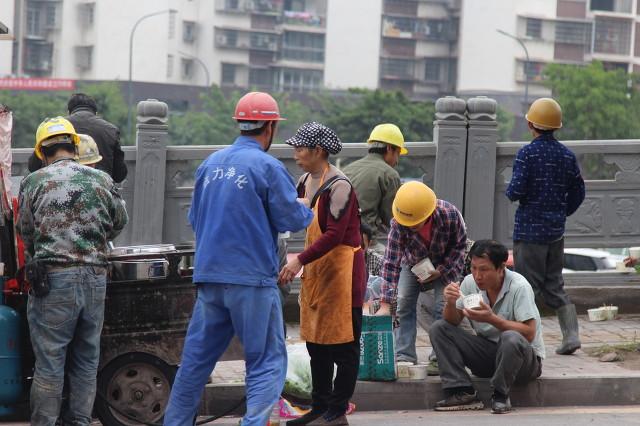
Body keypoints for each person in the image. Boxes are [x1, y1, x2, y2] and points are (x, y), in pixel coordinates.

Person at [164, 92, 313, 425]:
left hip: (209, 279)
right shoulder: (268, 167)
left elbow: (194, 219)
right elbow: (291, 220)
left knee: (194, 364)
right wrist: (305, 207)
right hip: (252, 281)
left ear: (240, 124)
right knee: (266, 362)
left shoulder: (210, 164)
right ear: (270, 127)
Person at [17, 116, 128, 425]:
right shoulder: (101, 179)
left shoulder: (34, 182)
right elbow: (119, 221)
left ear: (42, 152)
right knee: (85, 362)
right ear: (74, 147)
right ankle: (80, 421)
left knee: (50, 362)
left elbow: (25, 230)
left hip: (53, 282)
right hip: (95, 280)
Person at [279, 122, 366, 426]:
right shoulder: (304, 180)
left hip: (344, 273)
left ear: (318, 151)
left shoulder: (339, 186)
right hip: (318, 270)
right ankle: (319, 407)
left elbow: (333, 234)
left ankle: (337, 409)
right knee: (316, 343)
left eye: (300, 148)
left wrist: (297, 261)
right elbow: (293, 212)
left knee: (344, 346)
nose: (295, 153)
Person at [506, 97, 585, 355]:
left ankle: (528, 341)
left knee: (525, 287)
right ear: (556, 126)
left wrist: (510, 191)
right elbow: (578, 191)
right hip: (555, 232)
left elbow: (515, 190)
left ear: (531, 123)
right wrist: (563, 212)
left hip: (529, 233)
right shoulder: (566, 155)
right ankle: (571, 334)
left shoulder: (527, 154)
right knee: (554, 285)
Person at [430, 240, 545, 414]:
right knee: (439, 328)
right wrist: (451, 302)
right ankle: (461, 391)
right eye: (474, 268)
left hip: (524, 362)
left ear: (501, 268)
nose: (478, 275)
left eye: (484, 269)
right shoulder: (469, 283)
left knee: (510, 337)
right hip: (490, 356)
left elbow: (529, 333)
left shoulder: (519, 287)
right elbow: (452, 321)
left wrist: (492, 319)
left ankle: (500, 395)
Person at [375, 181, 466, 370]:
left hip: (446, 262)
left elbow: (460, 247)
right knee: (403, 302)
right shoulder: (399, 224)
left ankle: (440, 357)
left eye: (416, 222)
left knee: (444, 305)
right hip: (413, 262)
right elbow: (391, 263)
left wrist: (441, 270)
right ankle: (404, 355)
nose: (412, 225)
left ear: (429, 214)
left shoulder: (449, 214)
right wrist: (385, 303)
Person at [28, 93, 127, 183]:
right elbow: (119, 175)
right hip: (101, 189)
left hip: (59, 188)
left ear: (68, 112)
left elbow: (33, 167)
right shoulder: (111, 130)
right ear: (96, 113)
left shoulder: (57, 130)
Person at [342, 123, 405, 253]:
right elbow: (392, 219)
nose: (397, 160)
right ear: (389, 148)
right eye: (398, 153)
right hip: (365, 242)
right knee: (397, 264)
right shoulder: (389, 174)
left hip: (338, 237)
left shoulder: (348, 168)